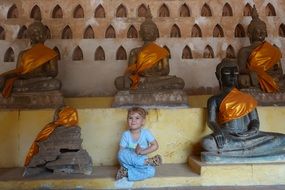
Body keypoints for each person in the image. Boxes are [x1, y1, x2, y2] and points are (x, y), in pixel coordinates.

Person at [202, 58, 285, 156]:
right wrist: (217, 131)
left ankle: (236, 153)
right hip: (228, 136)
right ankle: (253, 151)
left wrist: (253, 130)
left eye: (235, 73)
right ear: (219, 76)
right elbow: (211, 121)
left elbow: (255, 120)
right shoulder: (214, 99)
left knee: (283, 138)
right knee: (207, 143)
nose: (233, 76)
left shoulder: (247, 98)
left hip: (250, 136)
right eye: (228, 73)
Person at [114, 6, 184, 91]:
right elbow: (130, 71)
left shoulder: (162, 52)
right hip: (140, 79)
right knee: (119, 82)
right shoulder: (134, 52)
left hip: (156, 79)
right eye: (145, 30)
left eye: (151, 30)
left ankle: (145, 87)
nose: (148, 32)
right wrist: (140, 72)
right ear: (140, 33)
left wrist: (155, 74)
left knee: (179, 82)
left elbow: (166, 71)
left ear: (156, 33)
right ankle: (150, 86)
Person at [0, 16, 60, 98]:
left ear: (45, 36)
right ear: (29, 36)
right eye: (33, 33)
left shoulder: (51, 53)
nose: (36, 35)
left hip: (39, 80)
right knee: (8, 82)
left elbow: (54, 73)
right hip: (24, 80)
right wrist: (6, 76)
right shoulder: (23, 53)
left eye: (39, 33)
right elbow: (18, 71)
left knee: (55, 84)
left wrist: (37, 74)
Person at [237, 5, 284, 93]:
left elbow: (279, 70)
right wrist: (251, 72)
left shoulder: (273, 49)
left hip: (272, 77)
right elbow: (240, 69)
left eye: (263, 30)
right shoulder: (245, 50)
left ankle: (272, 85)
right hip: (255, 78)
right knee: (242, 80)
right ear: (250, 33)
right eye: (258, 30)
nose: (261, 32)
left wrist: (275, 75)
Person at [116, 107, 162, 181]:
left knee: (151, 172)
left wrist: (142, 152)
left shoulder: (146, 133)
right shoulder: (126, 134)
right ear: (127, 120)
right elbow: (121, 151)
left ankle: (126, 173)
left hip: (140, 160)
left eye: (137, 118)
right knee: (120, 154)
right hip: (129, 162)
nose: (133, 120)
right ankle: (148, 161)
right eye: (130, 118)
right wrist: (133, 152)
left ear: (143, 121)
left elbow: (155, 145)